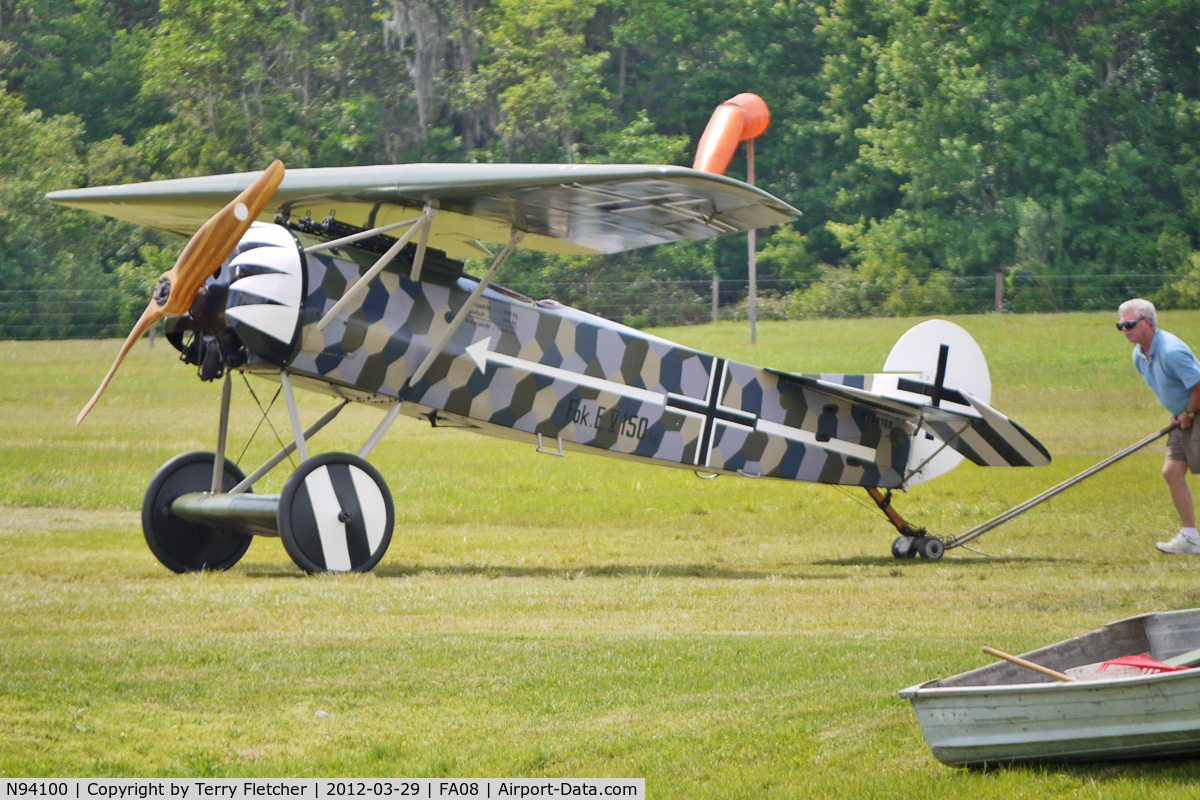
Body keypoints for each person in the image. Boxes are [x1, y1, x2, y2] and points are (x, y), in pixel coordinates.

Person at [1119, 298, 1200, 554]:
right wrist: (1181, 414)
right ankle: (1191, 538)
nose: (1125, 329)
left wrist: (1188, 412)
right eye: (1120, 325)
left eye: (1130, 324)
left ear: (1147, 323)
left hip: (1194, 411)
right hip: (1182, 415)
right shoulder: (1138, 355)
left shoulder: (1172, 351)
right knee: (1172, 472)